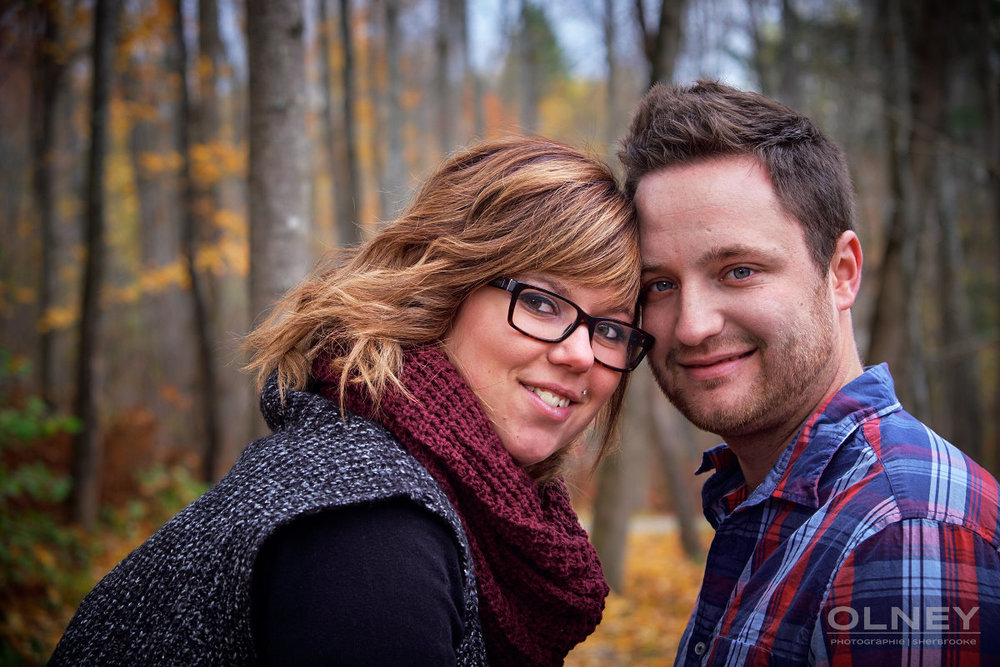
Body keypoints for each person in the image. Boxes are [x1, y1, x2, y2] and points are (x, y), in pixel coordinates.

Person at [50, 137, 655, 666]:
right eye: (543, 302)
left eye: (609, 329)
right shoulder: (372, 533)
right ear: (442, 289)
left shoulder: (385, 474)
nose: (581, 355)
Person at [618, 80, 1000, 665]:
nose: (691, 326)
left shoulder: (903, 530)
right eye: (660, 285)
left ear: (842, 273)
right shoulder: (761, 501)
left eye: (738, 270)